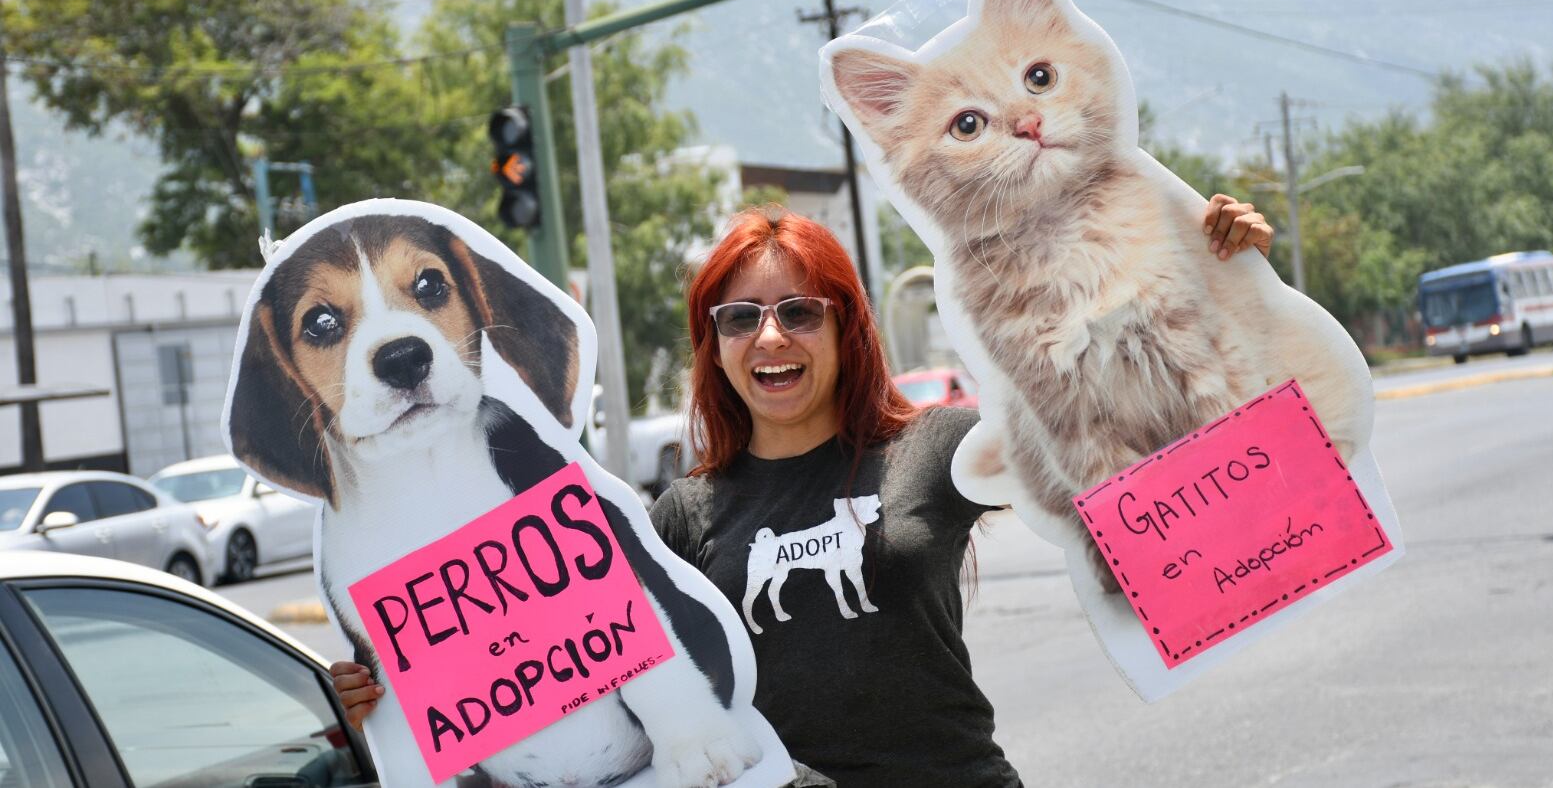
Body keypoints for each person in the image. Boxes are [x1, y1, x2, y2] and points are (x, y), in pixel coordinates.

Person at [331, 194, 1274, 787]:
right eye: (739, 317)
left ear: (845, 328)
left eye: (798, 311)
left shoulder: (934, 449)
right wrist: (390, 693)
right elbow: (563, 671)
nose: (770, 336)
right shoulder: (679, 518)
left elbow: (1129, 440)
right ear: (713, 346)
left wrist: (1216, 280)